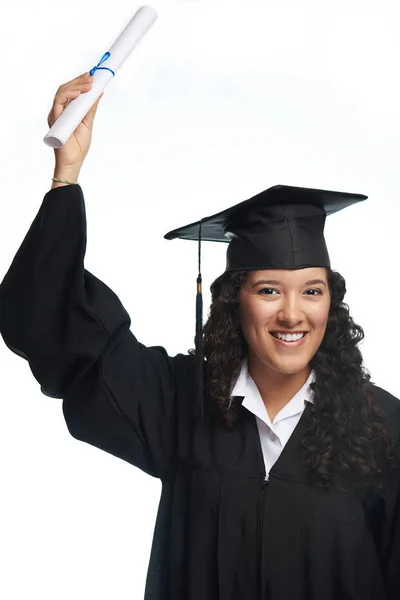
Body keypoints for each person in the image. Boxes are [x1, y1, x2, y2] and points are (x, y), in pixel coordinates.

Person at [0, 72, 399, 600]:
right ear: (236, 300)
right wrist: (66, 174)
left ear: (333, 302)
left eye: (312, 291)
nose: (293, 315)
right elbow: (55, 331)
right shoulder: (181, 403)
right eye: (270, 291)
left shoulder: (384, 429)